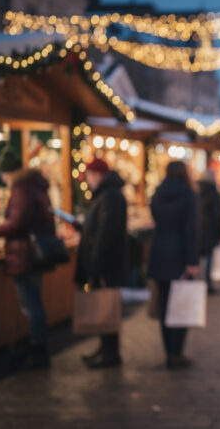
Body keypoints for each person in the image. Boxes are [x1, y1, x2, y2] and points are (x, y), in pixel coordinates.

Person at [0, 146, 55, 370]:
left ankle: (37, 350)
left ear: (9, 172)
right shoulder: (34, 185)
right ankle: (36, 346)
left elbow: (16, 224)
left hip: (25, 254)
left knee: (31, 305)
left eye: (3, 174)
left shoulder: (22, 189)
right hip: (32, 253)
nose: (2, 179)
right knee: (33, 302)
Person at [74, 158, 128, 369]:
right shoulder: (106, 194)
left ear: (97, 175)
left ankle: (110, 352)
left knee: (107, 306)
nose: (87, 180)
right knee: (103, 306)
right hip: (105, 261)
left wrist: (96, 262)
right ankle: (105, 348)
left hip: (107, 263)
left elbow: (107, 231)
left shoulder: (110, 195)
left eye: (88, 175)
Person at [148, 161, 199, 369]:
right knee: (181, 305)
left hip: (159, 253)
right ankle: (177, 352)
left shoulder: (157, 195)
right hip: (180, 255)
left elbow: (156, 220)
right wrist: (192, 261)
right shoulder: (189, 196)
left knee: (164, 306)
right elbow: (191, 230)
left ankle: (169, 351)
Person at [198, 170, 220, 294]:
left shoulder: (195, 191)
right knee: (208, 257)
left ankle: (198, 280)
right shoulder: (213, 193)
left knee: (198, 258)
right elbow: (217, 215)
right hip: (210, 230)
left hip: (197, 229)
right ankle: (207, 282)